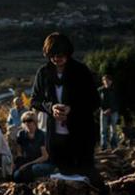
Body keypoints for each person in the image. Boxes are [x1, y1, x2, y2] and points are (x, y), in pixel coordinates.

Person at [29, 32, 100, 179]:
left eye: (60, 55)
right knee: (65, 174)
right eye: (53, 55)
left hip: (81, 133)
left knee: (86, 173)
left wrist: (72, 108)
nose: (57, 58)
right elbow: (35, 100)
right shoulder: (43, 73)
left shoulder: (80, 71)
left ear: (67, 53)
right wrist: (51, 107)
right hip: (56, 137)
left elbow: (94, 100)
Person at [12, 111, 55, 183]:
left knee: (34, 169)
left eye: (29, 121)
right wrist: (17, 164)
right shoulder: (21, 134)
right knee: (16, 176)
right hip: (27, 160)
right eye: (24, 121)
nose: (26, 123)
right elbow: (19, 152)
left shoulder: (41, 135)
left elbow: (45, 156)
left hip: (42, 162)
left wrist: (28, 165)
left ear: (35, 122)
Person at [99, 75, 120, 150]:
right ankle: (103, 146)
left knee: (113, 130)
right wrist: (103, 110)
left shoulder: (115, 90)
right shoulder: (100, 90)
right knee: (103, 130)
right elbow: (97, 102)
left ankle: (114, 146)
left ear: (111, 81)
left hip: (113, 112)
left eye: (108, 80)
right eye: (105, 80)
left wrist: (111, 109)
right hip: (103, 112)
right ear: (103, 81)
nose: (106, 82)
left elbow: (118, 102)